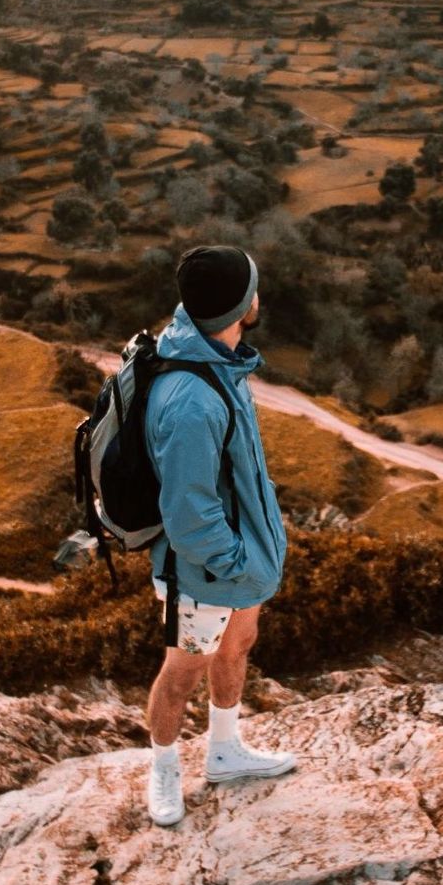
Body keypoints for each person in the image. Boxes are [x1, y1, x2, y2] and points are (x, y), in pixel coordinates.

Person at [141, 244, 295, 827]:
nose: (260, 294)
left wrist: (251, 557)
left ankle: (225, 750)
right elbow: (188, 514)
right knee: (181, 671)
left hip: (237, 558)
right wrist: (235, 563)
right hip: (204, 567)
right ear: (242, 305)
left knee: (237, 645)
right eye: (253, 287)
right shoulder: (193, 400)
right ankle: (163, 772)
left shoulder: (219, 359)